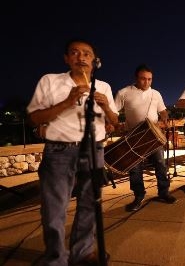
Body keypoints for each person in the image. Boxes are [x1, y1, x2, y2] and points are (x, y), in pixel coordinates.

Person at [27, 39, 119, 265]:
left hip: (94, 148)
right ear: (66, 58)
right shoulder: (50, 81)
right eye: (75, 53)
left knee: (90, 203)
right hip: (60, 150)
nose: (81, 57)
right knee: (55, 207)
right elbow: (34, 117)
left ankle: (83, 252)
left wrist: (106, 106)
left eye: (87, 53)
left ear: (94, 60)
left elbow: (115, 122)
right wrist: (68, 102)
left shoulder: (103, 86)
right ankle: (56, 257)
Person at [115, 65, 177, 212]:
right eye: (143, 79)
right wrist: (115, 124)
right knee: (135, 169)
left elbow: (162, 111)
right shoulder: (124, 92)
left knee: (160, 164)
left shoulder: (156, 93)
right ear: (136, 78)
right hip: (133, 136)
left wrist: (165, 119)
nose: (147, 82)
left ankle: (164, 192)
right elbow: (113, 112)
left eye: (149, 79)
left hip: (152, 136)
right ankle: (138, 196)